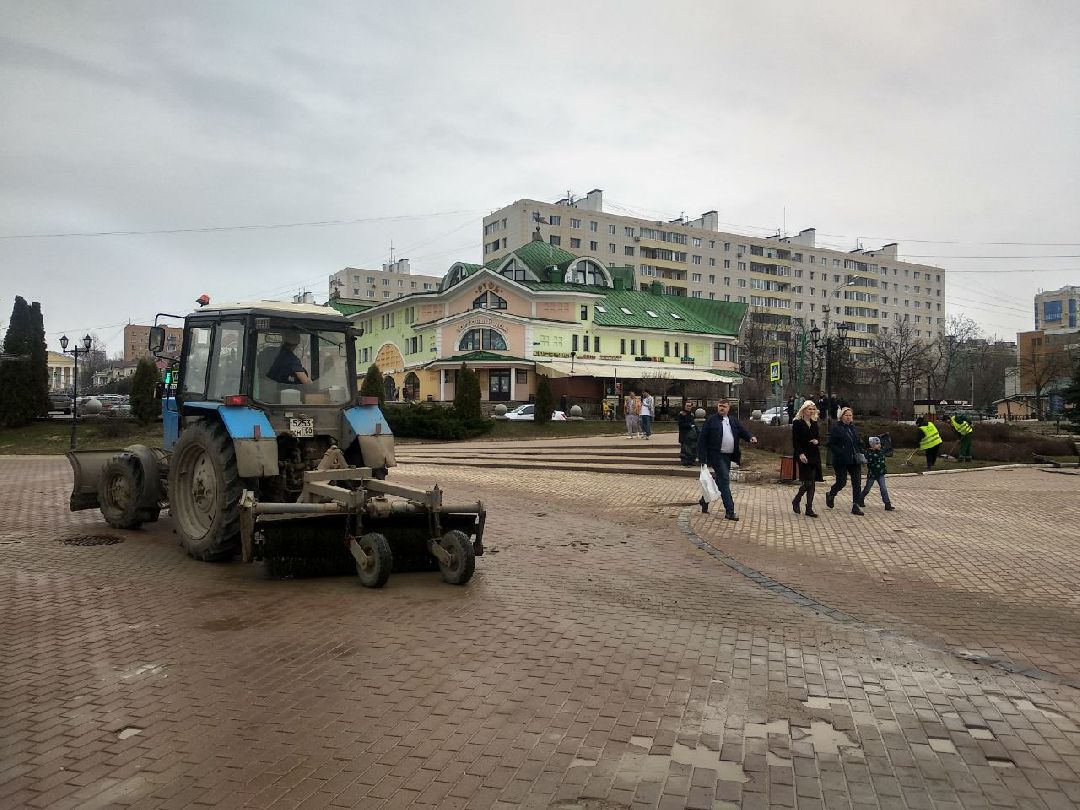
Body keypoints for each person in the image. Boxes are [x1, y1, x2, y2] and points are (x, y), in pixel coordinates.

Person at [697, 400, 758, 520]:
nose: (722, 408)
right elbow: (702, 439)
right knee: (724, 479)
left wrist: (750, 437)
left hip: (728, 456)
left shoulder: (733, 420)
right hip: (716, 455)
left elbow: (742, 431)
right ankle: (730, 511)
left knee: (720, 481)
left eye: (724, 406)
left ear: (728, 408)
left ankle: (704, 500)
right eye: (720, 406)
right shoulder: (711, 421)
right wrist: (702, 457)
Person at [825, 407, 864, 515]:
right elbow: (830, 443)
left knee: (857, 483)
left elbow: (857, 442)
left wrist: (861, 450)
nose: (848, 417)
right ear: (841, 416)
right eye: (846, 415)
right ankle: (831, 494)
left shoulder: (853, 428)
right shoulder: (836, 428)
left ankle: (855, 505)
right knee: (841, 482)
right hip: (841, 460)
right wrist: (840, 452)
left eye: (850, 415)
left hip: (854, 460)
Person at [791, 400, 823, 518]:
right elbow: (795, 440)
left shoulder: (814, 423)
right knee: (808, 481)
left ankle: (809, 508)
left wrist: (817, 441)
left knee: (812, 483)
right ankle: (797, 499)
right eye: (809, 409)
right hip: (803, 454)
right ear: (804, 410)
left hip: (814, 454)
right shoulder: (797, 423)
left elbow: (818, 437)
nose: (812, 411)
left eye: (813, 409)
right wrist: (800, 454)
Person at [860, 436, 894, 510]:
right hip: (872, 474)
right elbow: (867, 460)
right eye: (877, 444)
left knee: (883, 488)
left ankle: (887, 504)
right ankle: (860, 498)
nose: (879, 445)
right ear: (872, 445)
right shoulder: (869, 453)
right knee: (867, 489)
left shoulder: (881, 451)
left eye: (879, 443)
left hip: (880, 474)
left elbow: (888, 453)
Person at [676, 400, 697, 466]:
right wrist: (689, 425)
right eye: (687, 406)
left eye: (690, 406)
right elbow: (680, 424)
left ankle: (690, 461)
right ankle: (684, 462)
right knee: (684, 449)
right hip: (684, 434)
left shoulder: (692, 414)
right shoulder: (681, 414)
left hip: (691, 435)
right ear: (684, 406)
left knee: (692, 449)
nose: (688, 407)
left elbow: (694, 423)